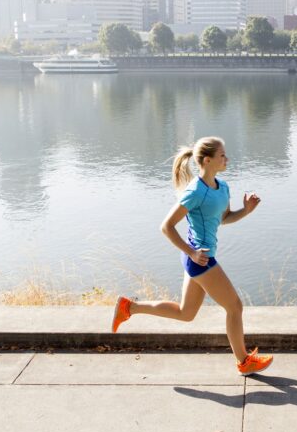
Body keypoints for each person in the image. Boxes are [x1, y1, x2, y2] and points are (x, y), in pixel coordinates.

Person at [111, 136, 273, 376]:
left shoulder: (223, 187)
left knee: (186, 313)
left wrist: (246, 211)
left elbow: (224, 219)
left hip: (199, 258)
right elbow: (166, 226)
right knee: (235, 306)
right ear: (207, 160)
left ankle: (129, 307)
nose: (226, 159)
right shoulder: (195, 192)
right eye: (222, 156)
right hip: (200, 259)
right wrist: (192, 252)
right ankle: (243, 361)